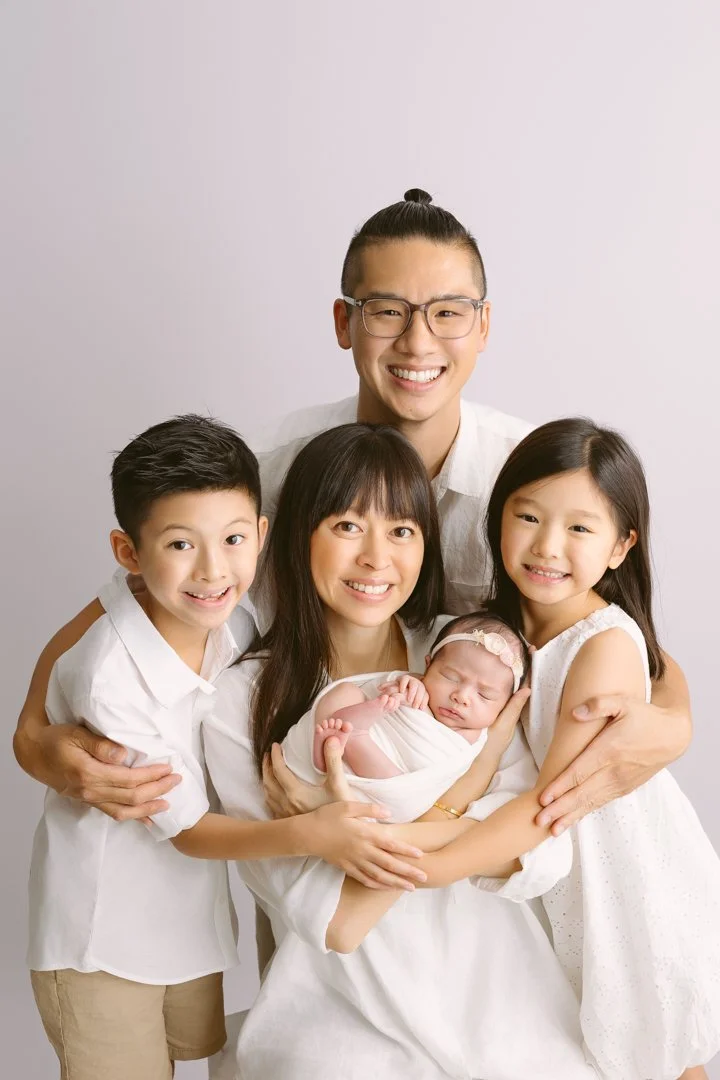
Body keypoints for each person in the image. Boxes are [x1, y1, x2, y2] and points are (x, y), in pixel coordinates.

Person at [13, 188, 690, 935]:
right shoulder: (276, 470)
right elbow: (132, 595)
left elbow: (602, 626)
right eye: (387, 310)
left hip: (481, 863)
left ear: (484, 325)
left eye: (448, 311)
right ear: (344, 322)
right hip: (315, 814)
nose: (418, 342)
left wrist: (678, 718)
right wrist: (33, 734)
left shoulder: (527, 479)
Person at [27, 415, 424, 1080]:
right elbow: (186, 831)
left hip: (188, 922)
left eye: (234, 540)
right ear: (128, 552)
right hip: (102, 933)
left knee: (199, 1055)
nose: (213, 569)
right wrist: (313, 831)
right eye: (181, 544)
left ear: (261, 537)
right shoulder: (111, 684)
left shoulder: (232, 617)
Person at [200, 424, 595, 1080]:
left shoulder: (470, 654)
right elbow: (331, 917)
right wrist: (466, 800)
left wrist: (341, 825)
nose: (376, 558)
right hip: (347, 1006)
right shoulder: (241, 700)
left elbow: (538, 842)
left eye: (402, 530)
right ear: (298, 534)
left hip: (500, 989)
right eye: (348, 526)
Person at [329, 419, 720, 1080]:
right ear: (498, 517)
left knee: (653, 1052)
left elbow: (549, 806)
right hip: (546, 868)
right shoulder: (496, 628)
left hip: (619, 873)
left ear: (621, 546)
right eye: (529, 517)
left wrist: (430, 867)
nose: (547, 547)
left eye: (580, 528)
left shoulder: (600, 647)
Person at [280, 613, 529, 829]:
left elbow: (435, 764)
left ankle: (351, 740)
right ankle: (325, 755)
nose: (461, 697)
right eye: (450, 677)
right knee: (343, 693)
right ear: (428, 665)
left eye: (484, 695)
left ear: (505, 704)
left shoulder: (472, 737)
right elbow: (382, 690)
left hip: (394, 789)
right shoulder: (419, 685)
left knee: (402, 795)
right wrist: (407, 686)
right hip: (347, 747)